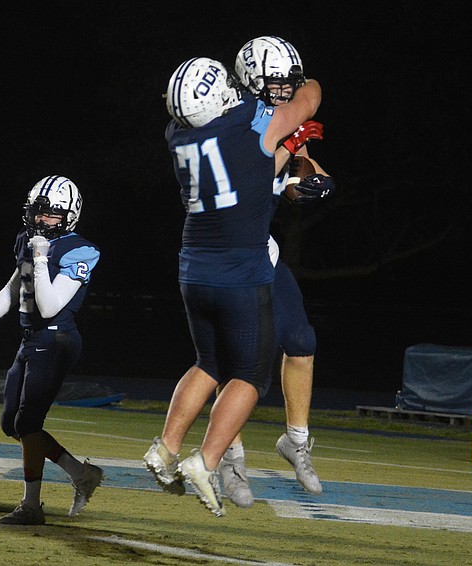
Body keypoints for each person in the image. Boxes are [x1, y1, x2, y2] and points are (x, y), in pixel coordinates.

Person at [143, 57, 322, 516]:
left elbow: (255, 168)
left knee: (208, 362)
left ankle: (164, 448)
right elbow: (306, 102)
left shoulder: (176, 134)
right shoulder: (248, 123)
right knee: (250, 376)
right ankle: (207, 461)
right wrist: (306, 83)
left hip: (193, 267)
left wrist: (290, 154)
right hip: (239, 268)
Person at [215, 36, 337, 507]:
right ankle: (230, 450)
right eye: (276, 83)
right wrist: (290, 166)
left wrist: (310, 181)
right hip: (225, 257)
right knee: (238, 358)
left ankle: (297, 439)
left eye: (290, 83)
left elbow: (295, 172)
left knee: (302, 340)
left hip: (258, 251)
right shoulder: (234, 124)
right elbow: (264, 173)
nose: (285, 91)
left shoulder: (276, 120)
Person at [0, 175, 103, 526]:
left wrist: (41, 259)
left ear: (69, 215)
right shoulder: (27, 240)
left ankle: (31, 505)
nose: (42, 220)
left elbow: (51, 305)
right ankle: (81, 473)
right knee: (12, 423)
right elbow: (14, 286)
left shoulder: (80, 250)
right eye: (37, 212)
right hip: (31, 340)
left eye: (51, 214)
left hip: (57, 339)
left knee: (28, 423)